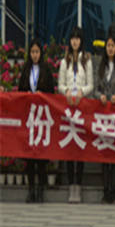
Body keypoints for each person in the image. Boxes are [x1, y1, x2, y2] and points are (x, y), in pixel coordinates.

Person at [58, 26, 94, 204]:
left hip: (81, 107)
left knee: (79, 146)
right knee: (69, 145)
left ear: (81, 40)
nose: (75, 41)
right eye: (72, 38)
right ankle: (70, 184)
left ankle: (78, 186)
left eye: (77, 38)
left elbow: (91, 85)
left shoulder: (87, 60)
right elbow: (60, 84)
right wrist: (66, 91)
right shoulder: (64, 61)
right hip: (67, 107)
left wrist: (81, 92)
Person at [17, 39, 55, 203]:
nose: (34, 55)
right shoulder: (26, 70)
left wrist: (42, 94)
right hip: (29, 117)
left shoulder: (46, 70)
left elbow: (52, 92)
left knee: (41, 155)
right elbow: (20, 91)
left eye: (37, 52)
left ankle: (40, 190)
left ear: (41, 53)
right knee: (29, 155)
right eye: (32, 52)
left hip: (42, 117)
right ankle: (31, 188)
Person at [94, 36, 115, 205]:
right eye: (108, 46)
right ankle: (105, 191)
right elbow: (95, 89)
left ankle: (113, 192)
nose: (110, 48)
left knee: (113, 154)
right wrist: (99, 96)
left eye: (113, 46)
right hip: (102, 115)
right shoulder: (100, 67)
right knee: (103, 154)